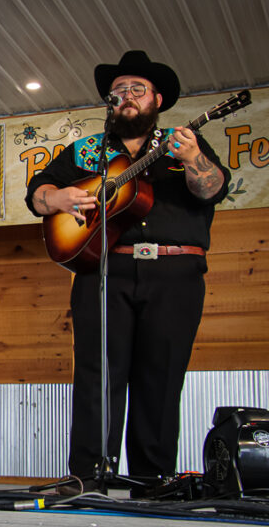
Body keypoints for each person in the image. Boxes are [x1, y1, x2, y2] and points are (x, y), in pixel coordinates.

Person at [25, 50, 230, 491]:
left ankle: (151, 479)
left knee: (161, 379)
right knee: (97, 376)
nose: (127, 97)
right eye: (118, 92)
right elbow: (37, 194)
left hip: (174, 273)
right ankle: (87, 478)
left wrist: (194, 159)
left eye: (137, 90)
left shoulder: (183, 144)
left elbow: (211, 189)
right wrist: (56, 199)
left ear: (157, 99)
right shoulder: (86, 150)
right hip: (103, 272)